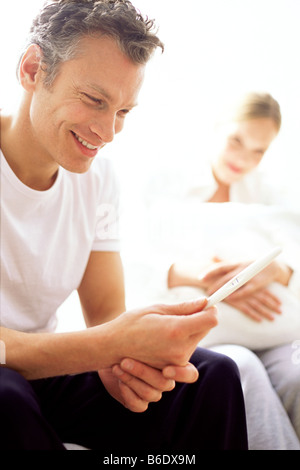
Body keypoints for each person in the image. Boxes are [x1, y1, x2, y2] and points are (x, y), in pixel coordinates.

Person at [0, 0, 248, 451]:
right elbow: (100, 341)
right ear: (34, 69)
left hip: (41, 371)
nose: (108, 131)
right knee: (4, 397)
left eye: (123, 111)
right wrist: (104, 348)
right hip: (6, 381)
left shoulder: (97, 180)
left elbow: (108, 317)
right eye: (95, 100)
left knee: (213, 375)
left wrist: (129, 361)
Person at [167, 92, 300, 449]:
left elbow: (294, 251)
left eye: (258, 151)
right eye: (237, 141)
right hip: (212, 336)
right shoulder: (168, 185)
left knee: (298, 376)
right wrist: (208, 278)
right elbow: (134, 262)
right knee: (242, 372)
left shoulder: (273, 194)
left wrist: (277, 272)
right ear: (217, 127)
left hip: (276, 334)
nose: (244, 159)